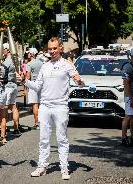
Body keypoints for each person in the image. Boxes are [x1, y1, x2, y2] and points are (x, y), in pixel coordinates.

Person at [17, 37, 83, 180]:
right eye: (50, 49)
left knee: (62, 139)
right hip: (45, 106)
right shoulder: (44, 66)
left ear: (61, 48)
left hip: (60, 106)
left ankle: (64, 168)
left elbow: (80, 83)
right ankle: (42, 167)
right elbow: (37, 86)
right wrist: (24, 81)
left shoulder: (67, 64)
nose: (52, 51)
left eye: (54, 48)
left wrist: (79, 80)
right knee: (44, 139)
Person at [0, 43, 21, 135]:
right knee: (13, 107)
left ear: (7, 50)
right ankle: (16, 128)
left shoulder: (6, 61)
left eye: (3, 49)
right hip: (14, 85)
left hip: (7, 86)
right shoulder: (16, 60)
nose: (2, 51)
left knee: (4, 108)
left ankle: (3, 131)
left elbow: (2, 74)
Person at [26, 48, 43, 130]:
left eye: (29, 53)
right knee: (40, 104)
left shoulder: (29, 64)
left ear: (32, 54)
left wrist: (26, 87)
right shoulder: (41, 63)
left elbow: (28, 77)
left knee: (35, 105)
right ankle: (42, 122)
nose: (28, 54)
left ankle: (37, 123)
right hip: (41, 84)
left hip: (33, 84)